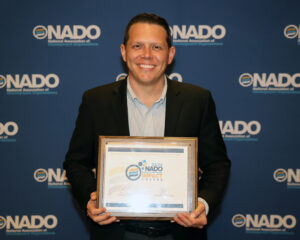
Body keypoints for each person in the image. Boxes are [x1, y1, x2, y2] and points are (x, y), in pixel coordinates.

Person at [64, 13, 230, 240]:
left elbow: (218, 164)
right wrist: (91, 199)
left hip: (180, 232)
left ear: (170, 54)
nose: (146, 55)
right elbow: (76, 162)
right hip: (116, 232)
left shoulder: (198, 100)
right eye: (138, 46)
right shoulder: (95, 101)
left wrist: (203, 203)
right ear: (124, 51)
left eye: (157, 47)